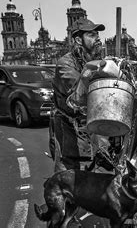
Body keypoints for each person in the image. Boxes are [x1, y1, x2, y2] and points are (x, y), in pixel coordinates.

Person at [50, 18, 105, 171]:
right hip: (69, 127)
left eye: (97, 35)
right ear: (78, 40)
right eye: (92, 35)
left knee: (92, 176)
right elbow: (79, 93)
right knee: (68, 176)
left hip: (89, 126)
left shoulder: (97, 61)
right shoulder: (65, 64)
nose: (98, 39)